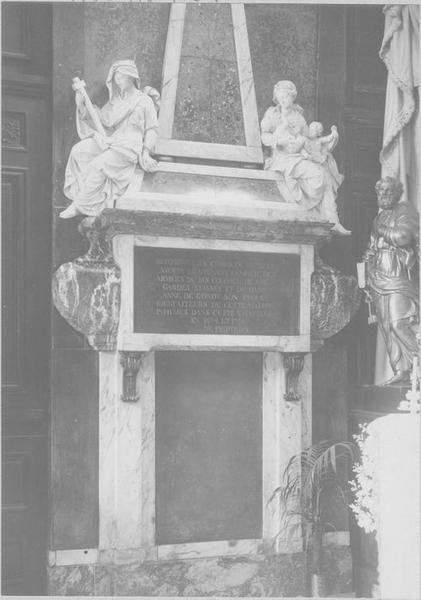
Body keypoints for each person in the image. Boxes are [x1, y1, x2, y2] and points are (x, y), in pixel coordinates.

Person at [60, 59, 159, 218]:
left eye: (120, 76)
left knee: (97, 165)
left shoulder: (144, 100)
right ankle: (80, 198)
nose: (117, 80)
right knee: (78, 151)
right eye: (115, 77)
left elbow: (152, 129)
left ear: (131, 76)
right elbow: (101, 122)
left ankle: (80, 205)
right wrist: (82, 105)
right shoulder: (115, 101)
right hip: (113, 140)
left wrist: (146, 152)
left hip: (129, 145)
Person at [261, 80, 349, 234]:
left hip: (298, 156)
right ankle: (311, 211)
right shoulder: (272, 114)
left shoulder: (299, 118)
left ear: (293, 97)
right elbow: (264, 136)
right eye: (280, 96)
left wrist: (324, 146)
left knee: (324, 172)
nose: (283, 99)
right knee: (319, 173)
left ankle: (333, 220)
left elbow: (308, 140)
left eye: (286, 96)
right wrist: (277, 141)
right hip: (281, 159)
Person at [363, 176, 419, 385]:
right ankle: (401, 370)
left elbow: (404, 237)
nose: (383, 196)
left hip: (398, 275)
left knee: (399, 322)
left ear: (397, 193)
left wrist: (382, 232)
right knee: (386, 326)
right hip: (378, 276)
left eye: (387, 192)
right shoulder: (378, 219)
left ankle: (418, 365)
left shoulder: (406, 211)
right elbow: (370, 249)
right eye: (380, 192)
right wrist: (365, 277)